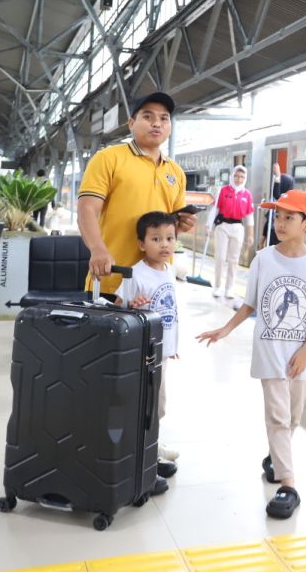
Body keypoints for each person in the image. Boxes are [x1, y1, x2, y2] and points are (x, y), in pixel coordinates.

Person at [77, 91, 194, 490]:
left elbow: (169, 221)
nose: (156, 123)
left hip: (153, 293)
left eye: (164, 117)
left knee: (150, 378)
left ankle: (145, 448)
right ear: (132, 123)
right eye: (147, 116)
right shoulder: (109, 159)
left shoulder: (175, 172)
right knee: (111, 378)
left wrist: (181, 226)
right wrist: (98, 248)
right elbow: (88, 209)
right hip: (111, 287)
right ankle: (106, 452)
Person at [197, 190, 306, 520]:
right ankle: (288, 484)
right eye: (278, 216)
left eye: (289, 217)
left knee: (294, 417)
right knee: (279, 417)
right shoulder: (263, 258)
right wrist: (225, 329)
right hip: (270, 351)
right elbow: (250, 304)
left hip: (301, 355)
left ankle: (275, 457)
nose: (281, 223)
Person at [114, 212, 180, 440]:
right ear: (141, 244)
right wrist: (132, 304)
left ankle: (151, 448)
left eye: (170, 238)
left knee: (157, 404)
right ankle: (145, 450)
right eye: (156, 239)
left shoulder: (169, 270)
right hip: (144, 351)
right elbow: (119, 309)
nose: (165, 244)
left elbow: (170, 312)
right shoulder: (136, 274)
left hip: (162, 350)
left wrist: (172, 346)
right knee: (148, 403)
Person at [209, 164, 253, 299]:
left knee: (234, 260)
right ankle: (217, 286)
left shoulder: (247, 194)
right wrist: (208, 225)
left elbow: (249, 216)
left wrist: (250, 234)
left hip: (237, 227)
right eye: (237, 176)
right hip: (222, 226)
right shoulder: (223, 191)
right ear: (232, 176)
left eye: (242, 177)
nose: (239, 179)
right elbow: (215, 209)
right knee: (220, 257)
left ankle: (229, 288)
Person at [261, 162, 294, 248]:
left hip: (275, 234)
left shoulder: (284, 200)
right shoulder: (291, 200)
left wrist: (278, 176)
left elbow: (276, 194)